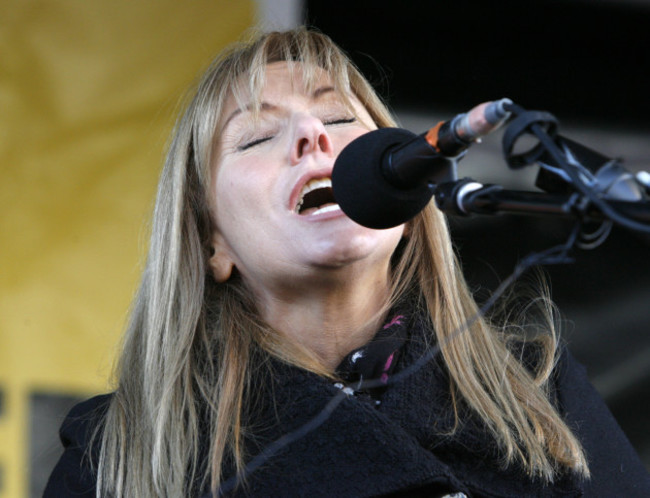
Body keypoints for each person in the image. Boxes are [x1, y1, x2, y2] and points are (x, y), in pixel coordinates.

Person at [45, 28, 649, 497]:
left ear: (408, 197)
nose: (314, 134)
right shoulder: (118, 454)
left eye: (338, 119)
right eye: (256, 136)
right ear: (212, 244)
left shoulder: (540, 391)